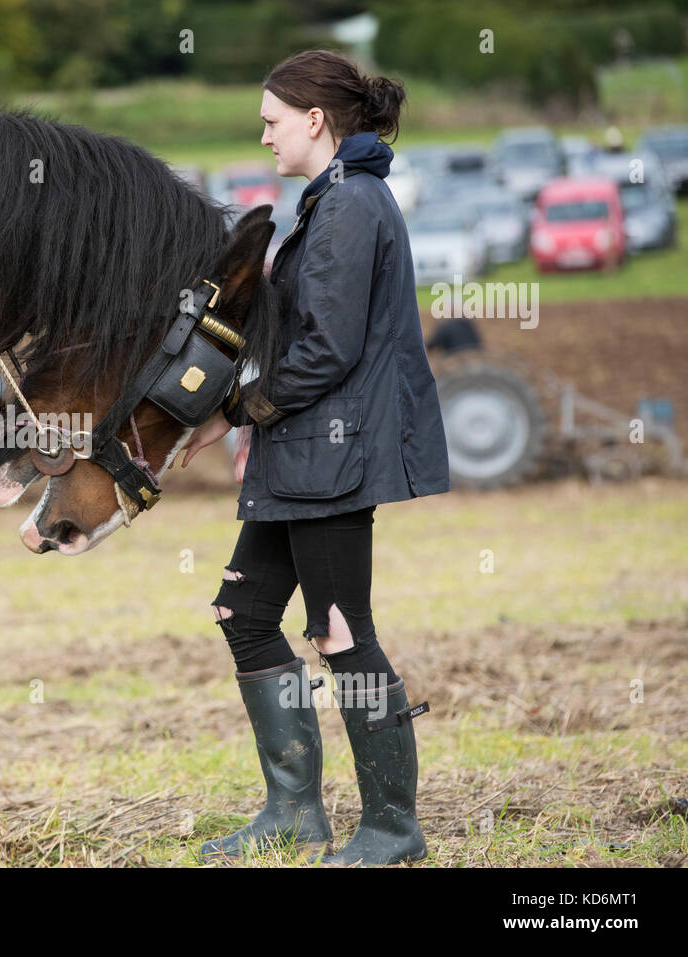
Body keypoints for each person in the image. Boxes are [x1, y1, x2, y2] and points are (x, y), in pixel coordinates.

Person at [172, 50, 451, 866]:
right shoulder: (327, 200)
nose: (263, 136)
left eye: (271, 121)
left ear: (315, 120)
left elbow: (327, 349)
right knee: (244, 613)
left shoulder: (352, 205)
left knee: (340, 632)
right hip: (298, 454)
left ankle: (393, 828)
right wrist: (254, 422)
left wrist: (241, 412)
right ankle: (294, 812)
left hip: (333, 456)